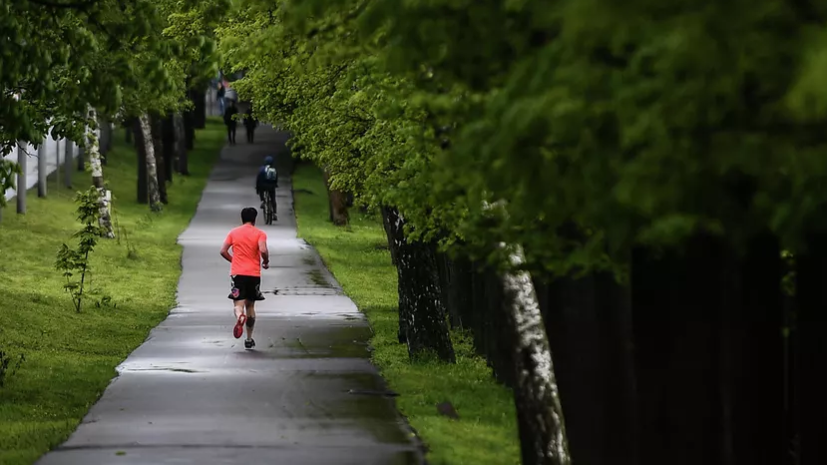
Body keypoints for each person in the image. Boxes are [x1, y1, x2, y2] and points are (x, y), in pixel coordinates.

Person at [220, 208, 269, 348]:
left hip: (238, 274)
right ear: (255, 219)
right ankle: (248, 338)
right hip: (253, 274)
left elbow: (223, 251)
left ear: (242, 218)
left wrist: (233, 260)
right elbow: (263, 250)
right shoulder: (260, 234)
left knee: (238, 304)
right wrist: (265, 261)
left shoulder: (233, 233)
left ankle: (239, 315)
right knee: (251, 305)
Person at [256, 155, 278, 221]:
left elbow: (258, 180)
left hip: (263, 186)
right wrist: (275, 185)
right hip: (271, 187)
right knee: (273, 199)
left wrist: (257, 189)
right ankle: (274, 213)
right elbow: (276, 179)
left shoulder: (261, 169)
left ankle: (263, 200)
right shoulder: (273, 170)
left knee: (261, 190)